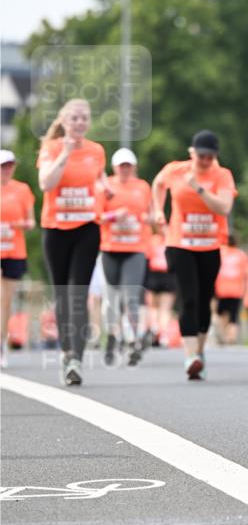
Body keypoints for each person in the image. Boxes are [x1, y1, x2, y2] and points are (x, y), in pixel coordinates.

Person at [152, 130, 237, 379]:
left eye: (210, 156)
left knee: (204, 298)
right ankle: (190, 356)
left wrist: (198, 188)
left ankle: (199, 352)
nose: (205, 161)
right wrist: (158, 211)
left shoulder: (222, 175)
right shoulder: (175, 170)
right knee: (188, 298)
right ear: (192, 153)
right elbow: (158, 184)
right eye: (201, 155)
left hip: (210, 245)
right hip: (179, 244)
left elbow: (224, 207)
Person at [37, 98, 106, 386]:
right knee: (62, 293)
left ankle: (76, 358)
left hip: (87, 228)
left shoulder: (96, 151)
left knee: (79, 292)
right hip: (56, 229)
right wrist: (64, 153)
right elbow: (46, 184)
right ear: (64, 121)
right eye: (74, 118)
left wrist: (106, 191)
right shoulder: (51, 148)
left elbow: (99, 180)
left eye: (84, 118)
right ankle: (66, 352)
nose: (80, 123)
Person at [100, 148, 152, 366]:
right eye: (121, 166)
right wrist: (114, 216)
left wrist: (144, 218)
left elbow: (151, 213)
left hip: (135, 248)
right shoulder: (106, 187)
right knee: (111, 300)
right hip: (110, 248)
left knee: (131, 297)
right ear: (114, 168)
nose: (125, 170)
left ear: (134, 167)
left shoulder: (142, 187)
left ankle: (132, 342)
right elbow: (96, 216)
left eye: (128, 166)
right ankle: (112, 336)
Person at [0, 150, 35, 368]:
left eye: (10, 165)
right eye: (3, 166)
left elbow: (31, 221)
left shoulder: (22, 190)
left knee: (6, 302)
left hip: (14, 250)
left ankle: (2, 343)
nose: (7, 170)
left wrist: (18, 225)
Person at [144, 225, 177, 346]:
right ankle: (161, 334)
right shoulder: (171, 240)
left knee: (156, 307)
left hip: (157, 274)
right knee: (163, 308)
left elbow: (146, 259)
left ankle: (156, 330)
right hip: (164, 274)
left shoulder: (153, 240)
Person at [214, 234, 248, 345]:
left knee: (221, 313)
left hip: (221, 288)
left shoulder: (221, 252)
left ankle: (222, 334)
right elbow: (245, 273)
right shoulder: (241, 255)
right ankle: (231, 337)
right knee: (233, 316)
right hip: (236, 289)